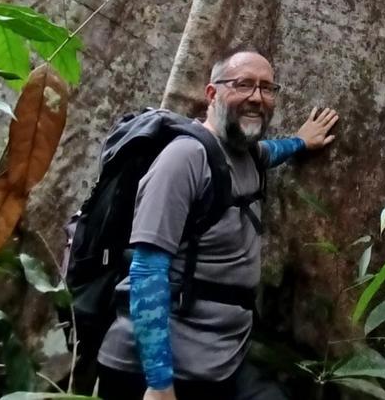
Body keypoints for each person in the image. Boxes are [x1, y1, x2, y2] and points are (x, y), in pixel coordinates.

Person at [95, 45, 340, 400]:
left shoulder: (246, 154)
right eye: (243, 84)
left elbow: (270, 152)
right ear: (212, 93)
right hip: (160, 369)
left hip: (218, 357)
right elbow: (147, 270)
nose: (257, 97)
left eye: (267, 88)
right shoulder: (184, 158)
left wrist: (301, 141)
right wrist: (159, 382)